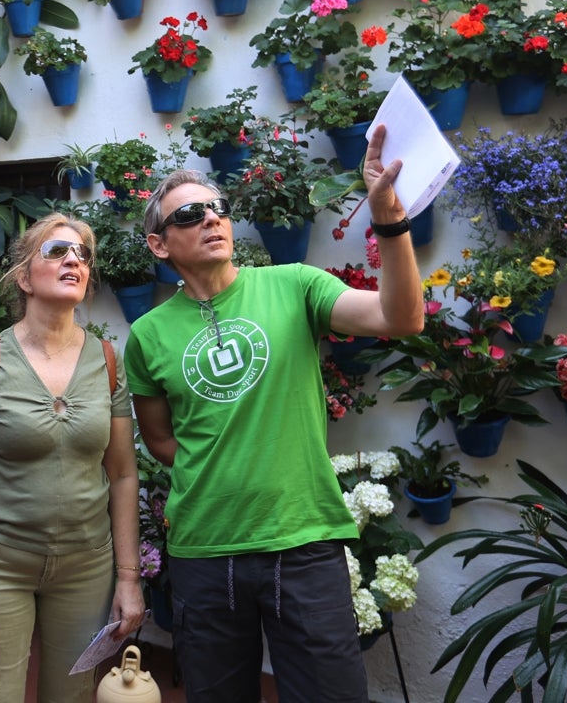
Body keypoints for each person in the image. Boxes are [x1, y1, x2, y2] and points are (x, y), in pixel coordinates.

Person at [123, 126, 424, 703]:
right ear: (160, 245)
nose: (212, 219)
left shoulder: (295, 285)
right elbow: (161, 440)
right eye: (190, 215)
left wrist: (387, 217)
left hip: (304, 541)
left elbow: (401, 317)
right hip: (204, 554)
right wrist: (226, 470)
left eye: (218, 209)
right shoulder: (147, 336)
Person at [0, 212, 146, 702]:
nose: (74, 259)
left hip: (87, 569)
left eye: (82, 254)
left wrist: (128, 579)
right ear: (23, 277)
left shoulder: (108, 360)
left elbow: (122, 475)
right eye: (57, 251)